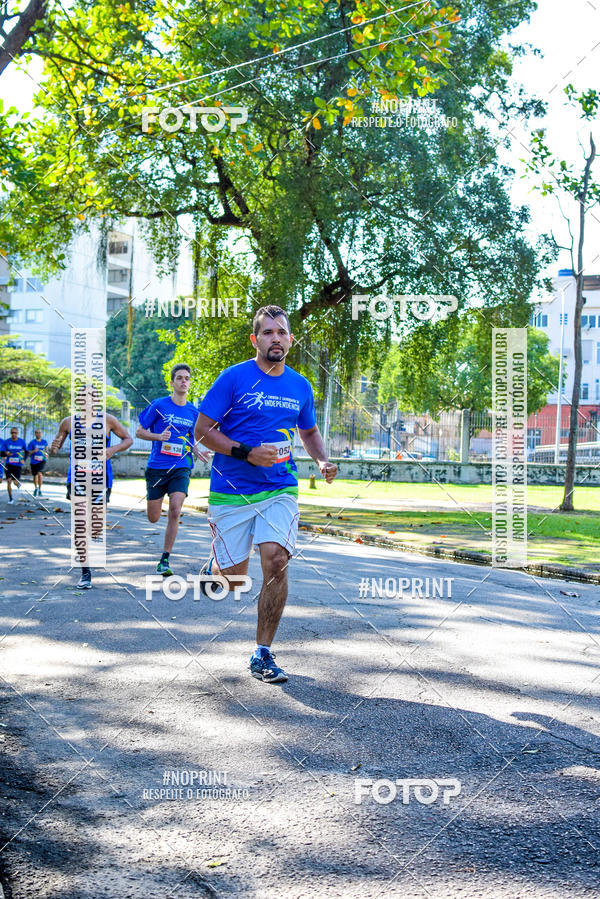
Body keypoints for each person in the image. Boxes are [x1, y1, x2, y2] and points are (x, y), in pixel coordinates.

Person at [194, 304, 337, 685]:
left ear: (290, 339)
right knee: (232, 580)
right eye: (269, 333)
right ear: (255, 339)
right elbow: (202, 431)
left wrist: (322, 461)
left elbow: (308, 432)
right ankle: (217, 568)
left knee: (276, 561)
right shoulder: (233, 379)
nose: (277, 338)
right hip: (232, 490)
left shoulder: (300, 386)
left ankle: (263, 653)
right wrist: (245, 452)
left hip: (279, 489)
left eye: (283, 332)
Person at [136, 363, 210, 577]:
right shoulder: (159, 405)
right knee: (153, 517)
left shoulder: (193, 412)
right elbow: (140, 432)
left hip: (181, 466)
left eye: (187, 378)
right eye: (179, 378)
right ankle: (154, 503)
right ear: (172, 382)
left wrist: (199, 453)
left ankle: (165, 559)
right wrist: (158, 437)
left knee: (176, 509)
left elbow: (191, 440)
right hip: (157, 467)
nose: (183, 381)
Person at [50, 404, 132, 588]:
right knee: (80, 523)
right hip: (77, 478)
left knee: (94, 528)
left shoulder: (108, 420)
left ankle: (88, 541)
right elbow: (55, 448)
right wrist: (52, 448)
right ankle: (85, 571)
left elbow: (128, 439)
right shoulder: (68, 422)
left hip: (101, 479)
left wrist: (112, 450)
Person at [2, 427, 28, 504]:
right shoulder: (6, 442)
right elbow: (2, 453)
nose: (14, 434)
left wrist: (24, 459)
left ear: (17, 433)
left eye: (15, 433)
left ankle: (18, 483)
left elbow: (26, 452)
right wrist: (6, 453)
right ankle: (10, 499)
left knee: (15, 482)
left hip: (18, 465)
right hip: (9, 464)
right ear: (11, 433)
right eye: (12, 433)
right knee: (9, 481)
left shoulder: (21, 441)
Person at [28, 429, 49, 496]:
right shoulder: (32, 442)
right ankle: (36, 488)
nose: (38, 434)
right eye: (37, 433)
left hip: (42, 461)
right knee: (35, 475)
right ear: (35, 434)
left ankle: (40, 489)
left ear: (41, 434)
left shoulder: (44, 442)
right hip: (34, 461)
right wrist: (34, 451)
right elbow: (28, 452)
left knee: (40, 474)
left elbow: (46, 450)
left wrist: (46, 454)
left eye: (39, 433)